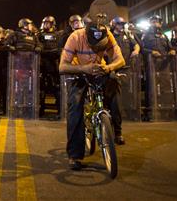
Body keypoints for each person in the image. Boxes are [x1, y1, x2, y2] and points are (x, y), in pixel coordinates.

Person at [59, 20, 125, 170]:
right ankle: (75, 155)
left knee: (114, 84)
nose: (97, 49)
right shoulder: (75, 37)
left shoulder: (108, 35)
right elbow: (62, 66)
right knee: (75, 106)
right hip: (79, 71)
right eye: (94, 46)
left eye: (100, 46)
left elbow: (120, 60)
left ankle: (117, 130)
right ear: (87, 37)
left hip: (99, 70)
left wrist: (108, 67)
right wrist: (84, 68)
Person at [39, 16, 61, 119]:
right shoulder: (39, 35)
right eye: (45, 23)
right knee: (41, 89)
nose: (46, 25)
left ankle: (60, 111)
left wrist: (54, 52)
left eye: (48, 23)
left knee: (57, 89)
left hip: (54, 66)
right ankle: (40, 110)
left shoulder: (58, 35)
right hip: (42, 65)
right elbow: (37, 46)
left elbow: (60, 48)